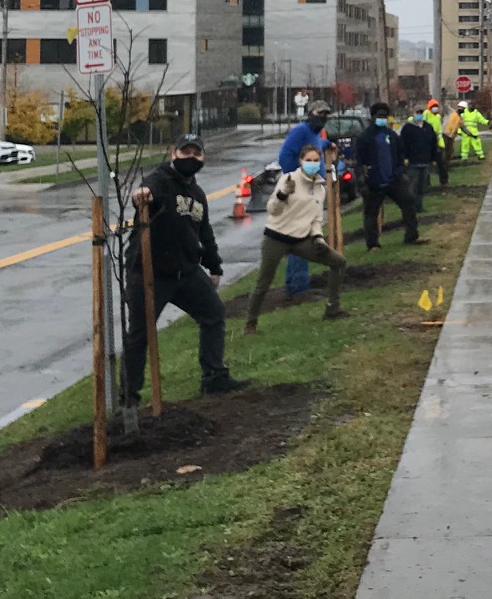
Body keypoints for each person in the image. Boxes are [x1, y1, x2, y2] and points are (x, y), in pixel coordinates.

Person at [125, 135, 248, 400]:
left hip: (186, 271)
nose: (190, 157)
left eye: (196, 153)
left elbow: (204, 232)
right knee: (139, 333)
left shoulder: (197, 194)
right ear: (174, 153)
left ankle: (214, 377)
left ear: (203, 158)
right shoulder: (161, 180)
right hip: (149, 272)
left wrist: (214, 267)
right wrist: (143, 195)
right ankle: (128, 397)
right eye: (185, 151)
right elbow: (148, 190)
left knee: (214, 313)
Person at [246, 141, 348, 332]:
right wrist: (282, 195)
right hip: (276, 237)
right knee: (264, 281)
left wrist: (318, 238)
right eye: (308, 160)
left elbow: (316, 218)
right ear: (301, 161)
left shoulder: (320, 187)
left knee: (338, 262)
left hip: (302, 239)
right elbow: (272, 210)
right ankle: (251, 322)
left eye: (316, 160)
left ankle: (333, 308)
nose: (312, 163)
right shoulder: (288, 179)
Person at [275, 103, 332, 300]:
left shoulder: (315, 133)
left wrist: (328, 144)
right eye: (319, 113)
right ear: (310, 114)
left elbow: (315, 146)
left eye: (326, 114)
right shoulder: (301, 130)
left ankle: (294, 284)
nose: (323, 117)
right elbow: (284, 156)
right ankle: (299, 288)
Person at [354, 102, 421, 250]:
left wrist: (400, 171)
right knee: (371, 213)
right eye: (379, 116)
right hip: (374, 182)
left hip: (393, 180)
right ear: (372, 117)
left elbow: (401, 155)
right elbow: (358, 161)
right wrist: (362, 182)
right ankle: (372, 244)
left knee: (409, 202)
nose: (382, 119)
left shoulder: (391, 135)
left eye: (385, 116)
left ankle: (412, 235)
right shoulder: (364, 138)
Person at [400, 104, 441, 206]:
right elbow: (402, 144)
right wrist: (404, 158)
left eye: (421, 113)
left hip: (426, 162)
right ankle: (412, 206)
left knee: (422, 186)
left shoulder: (428, 127)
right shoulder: (408, 128)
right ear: (413, 113)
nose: (419, 115)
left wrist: (434, 158)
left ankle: (419, 205)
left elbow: (433, 144)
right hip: (413, 162)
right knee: (413, 186)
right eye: (417, 113)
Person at [424, 98, 449, 186]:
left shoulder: (438, 117)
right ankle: (426, 183)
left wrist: (441, 144)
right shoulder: (426, 114)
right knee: (426, 164)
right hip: (427, 142)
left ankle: (444, 180)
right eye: (433, 107)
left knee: (441, 163)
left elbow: (439, 131)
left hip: (437, 142)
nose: (435, 108)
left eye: (436, 107)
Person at [441, 100, 462, 176]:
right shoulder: (451, 112)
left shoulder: (460, 119)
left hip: (451, 136)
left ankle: (446, 166)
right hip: (445, 134)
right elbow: (445, 106)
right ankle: (441, 166)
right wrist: (443, 96)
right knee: (443, 151)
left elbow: (463, 128)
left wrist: (470, 134)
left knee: (449, 152)